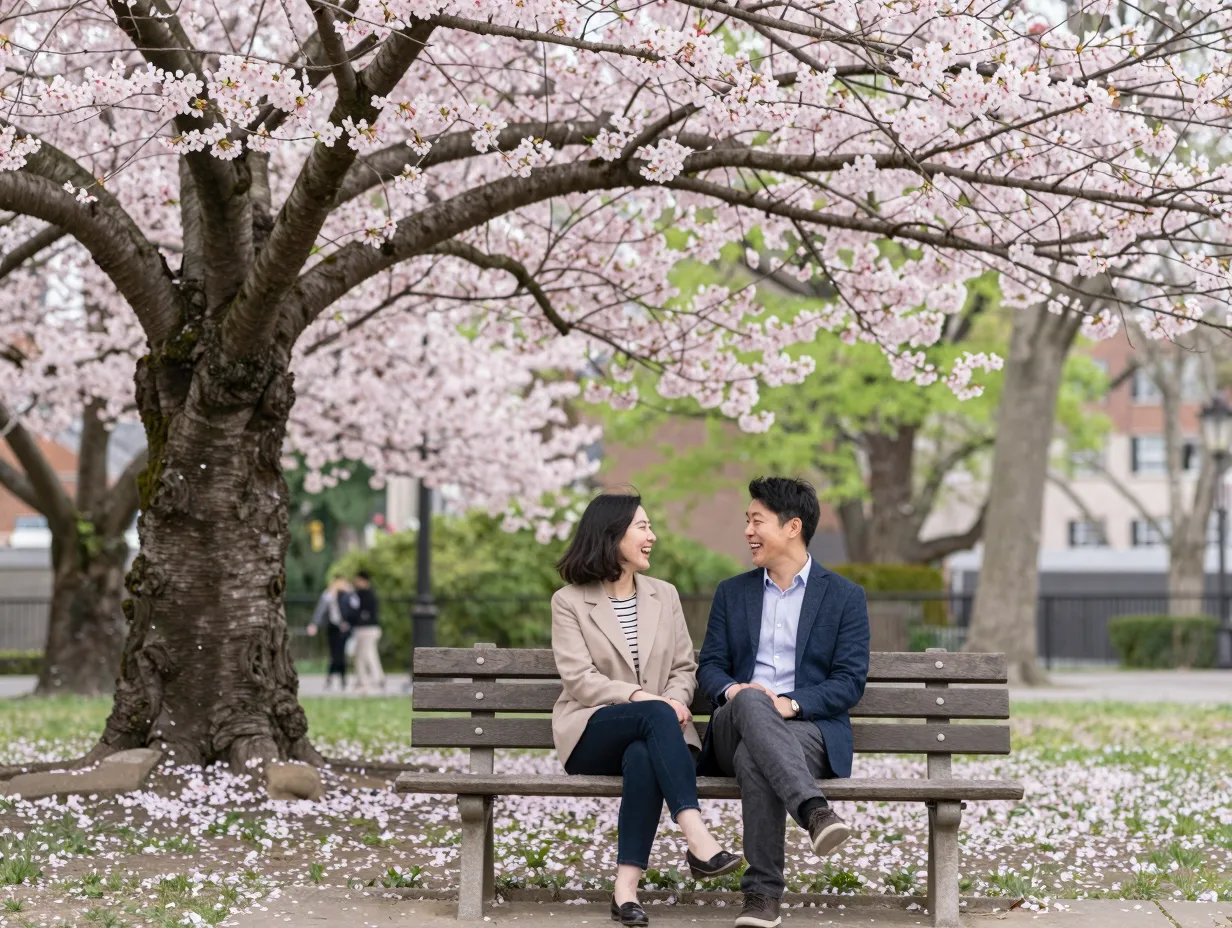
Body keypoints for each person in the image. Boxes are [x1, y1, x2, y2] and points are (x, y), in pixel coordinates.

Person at [552, 492, 742, 927]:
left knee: (643, 754)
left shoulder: (665, 595)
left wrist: (676, 697)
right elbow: (579, 679)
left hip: (657, 734)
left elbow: (683, 666)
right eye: (642, 527)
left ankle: (625, 891)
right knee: (653, 717)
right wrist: (644, 698)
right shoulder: (569, 601)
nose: (651, 536)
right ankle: (697, 837)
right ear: (612, 534)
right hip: (591, 731)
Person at [697, 477, 871, 928]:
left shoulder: (844, 597)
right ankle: (814, 812)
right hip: (734, 718)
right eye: (746, 521)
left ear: (792, 526)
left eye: (757, 521)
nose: (747, 531)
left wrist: (789, 705)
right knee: (753, 701)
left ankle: (761, 897)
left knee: (756, 757)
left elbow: (848, 682)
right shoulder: (731, 593)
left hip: (807, 729)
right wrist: (737, 692)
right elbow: (710, 669)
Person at [307, 576, 353, 691]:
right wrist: (314, 624)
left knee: (340, 654)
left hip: (343, 628)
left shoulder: (347, 595)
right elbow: (320, 610)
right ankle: (331, 678)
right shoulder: (328, 595)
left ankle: (341, 678)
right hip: (332, 627)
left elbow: (352, 610)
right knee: (334, 654)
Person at [350, 570, 384, 693]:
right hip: (362, 628)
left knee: (367, 654)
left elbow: (362, 612)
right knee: (362, 655)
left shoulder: (368, 595)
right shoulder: (358, 594)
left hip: (368, 629)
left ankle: (374, 679)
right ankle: (366, 679)